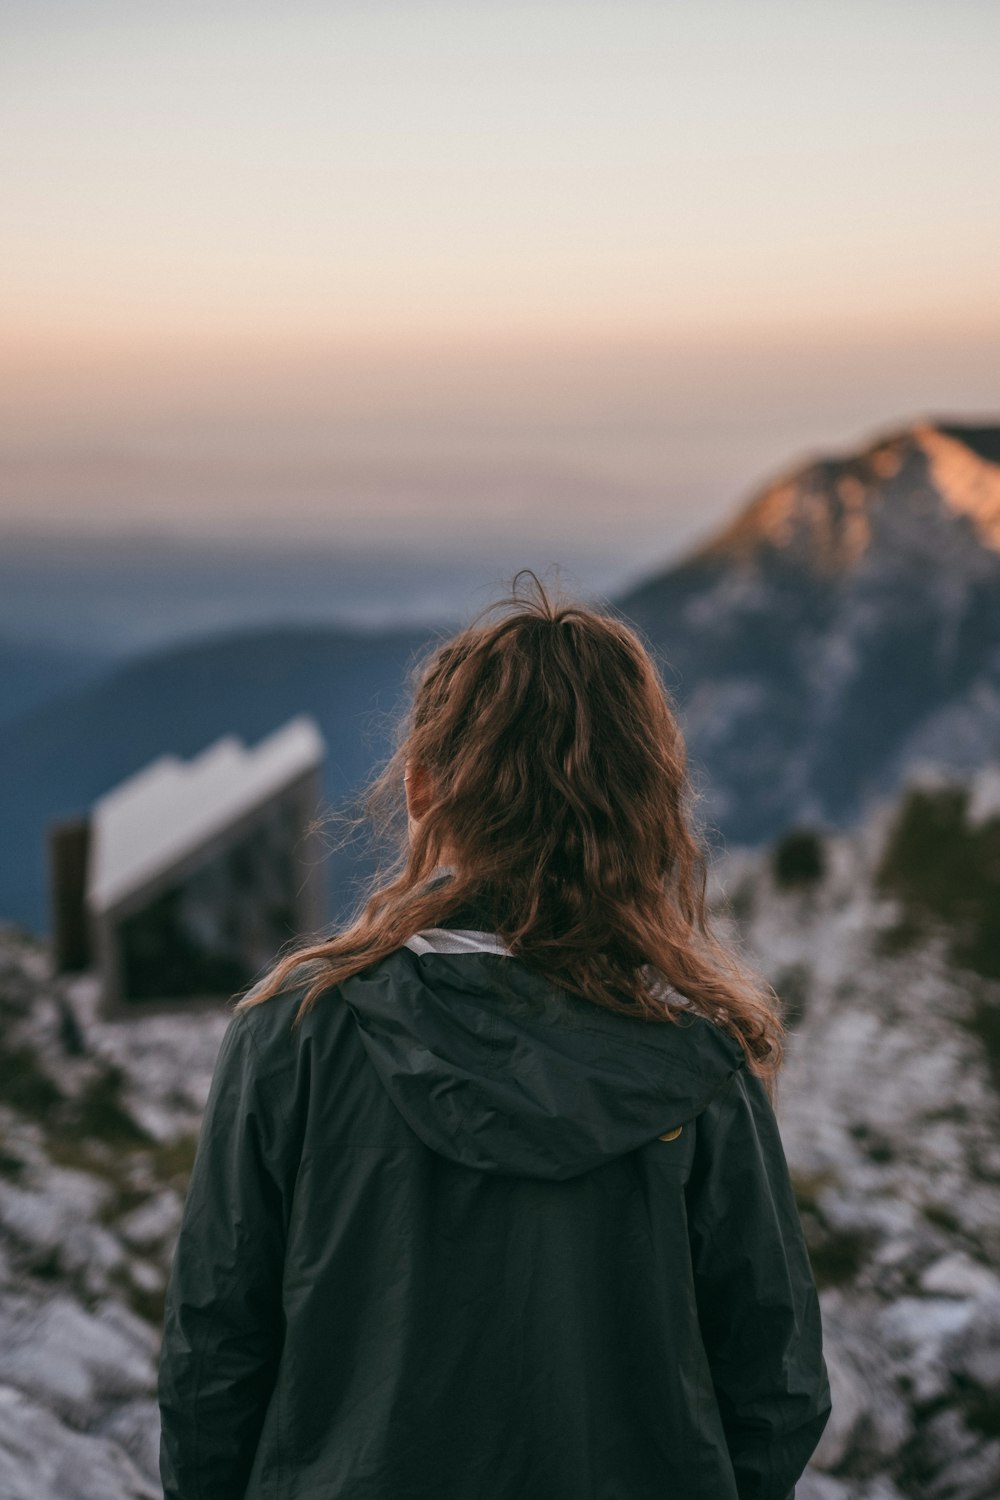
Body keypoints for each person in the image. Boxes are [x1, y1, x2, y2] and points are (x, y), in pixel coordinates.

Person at [158, 571, 831, 1500]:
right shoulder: (700, 1063)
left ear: (422, 789)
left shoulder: (296, 1033)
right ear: (646, 803)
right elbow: (776, 1389)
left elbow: (212, 1362)